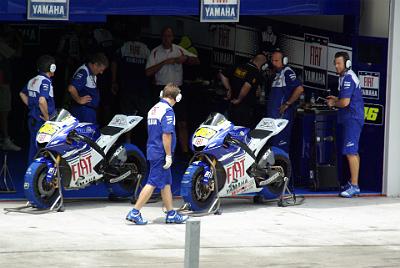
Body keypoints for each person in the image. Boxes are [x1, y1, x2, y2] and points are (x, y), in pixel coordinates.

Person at [126, 83, 188, 225]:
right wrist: (168, 155)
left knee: (166, 183)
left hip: (153, 149)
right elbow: (166, 135)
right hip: (161, 152)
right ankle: (135, 212)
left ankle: (171, 213)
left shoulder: (153, 109)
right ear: (177, 98)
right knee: (153, 181)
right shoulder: (168, 111)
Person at [145, 27, 200, 158]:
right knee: (160, 123)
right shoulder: (155, 52)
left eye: (169, 36)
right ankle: (160, 152)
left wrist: (185, 59)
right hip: (161, 89)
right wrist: (164, 62)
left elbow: (197, 60)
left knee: (182, 122)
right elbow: (147, 72)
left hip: (176, 89)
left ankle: (185, 152)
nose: (167, 38)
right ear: (161, 37)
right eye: (164, 36)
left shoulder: (178, 49)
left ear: (172, 37)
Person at [326, 51, 364, 198]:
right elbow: (346, 98)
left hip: (352, 119)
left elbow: (345, 102)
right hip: (351, 118)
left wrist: (333, 102)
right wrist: (336, 98)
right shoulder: (345, 77)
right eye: (335, 63)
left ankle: (354, 186)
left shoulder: (348, 77)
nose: (336, 66)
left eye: (339, 63)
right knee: (353, 151)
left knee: (350, 152)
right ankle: (354, 182)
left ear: (347, 64)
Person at [19, 55, 57, 161]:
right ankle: (41, 175)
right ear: (52, 68)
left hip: (32, 120)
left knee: (33, 148)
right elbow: (42, 100)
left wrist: (31, 106)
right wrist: (47, 118)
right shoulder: (45, 81)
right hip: (42, 122)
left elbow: (22, 93)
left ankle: (31, 173)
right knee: (44, 150)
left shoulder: (32, 80)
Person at [267, 49, 304, 152]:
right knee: (273, 146)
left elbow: (299, 88)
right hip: (273, 118)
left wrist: (287, 104)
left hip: (282, 118)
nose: (273, 63)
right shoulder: (277, 74)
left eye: (276, 61)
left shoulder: (287, 72)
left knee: (280, 146)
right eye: (272, 60)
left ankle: (282, 167)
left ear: (284, 61)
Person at [220, 53, 267, 128]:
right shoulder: (255, 72)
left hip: (231, 104)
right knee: (241, 130)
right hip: (244, 107)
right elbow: (246, 86)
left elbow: (222, 74)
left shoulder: (238, 66)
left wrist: (228, 89)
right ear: (263, 65)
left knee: (229, 127)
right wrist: (239, 99)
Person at [67, 53, 108, 124]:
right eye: (101, 69)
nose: (101, 72)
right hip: (83, 112)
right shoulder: (84, 71)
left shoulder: (92, 73)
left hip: (88, 112)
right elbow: (71, 88)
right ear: (95, 65)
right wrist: (79, 99)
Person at [0, 31, 21, 151]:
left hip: (3, 81)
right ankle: (6, 139)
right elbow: (16, 54)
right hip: (2, 82)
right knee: (4, 111)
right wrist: (18, 39)